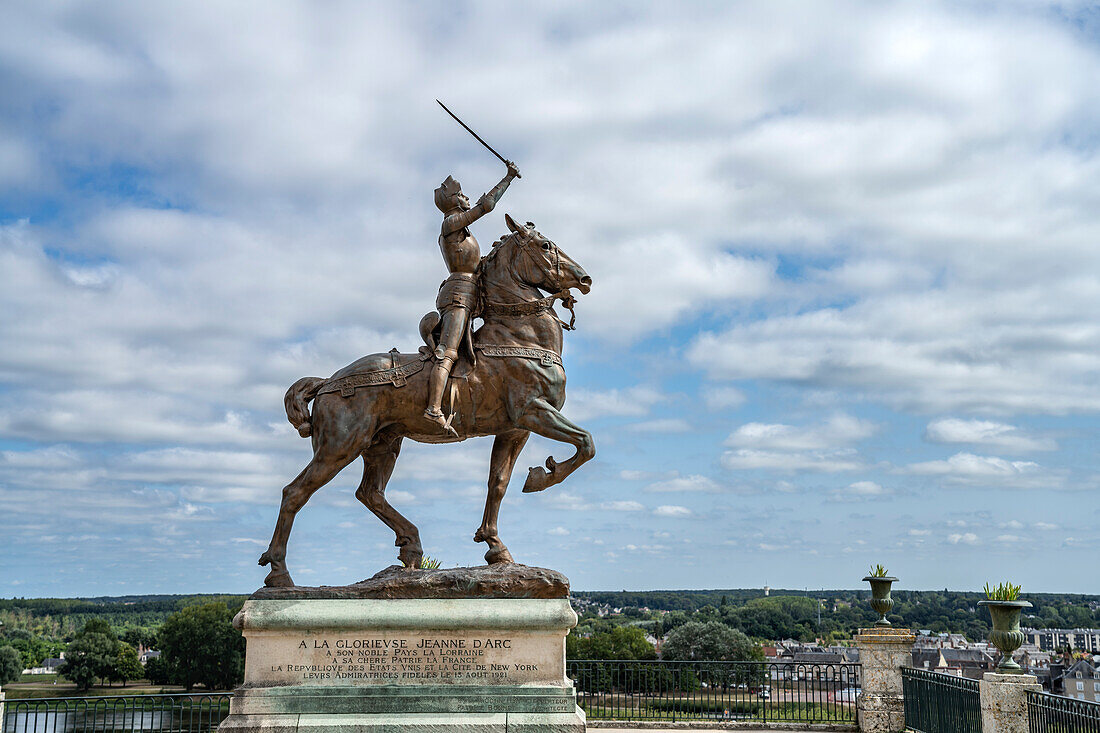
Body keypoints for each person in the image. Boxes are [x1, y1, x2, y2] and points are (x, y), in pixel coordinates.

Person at [425, 161, 520, 434]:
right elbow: (486, 206)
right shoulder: (451, 222)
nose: (468, 198)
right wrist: (508, 178)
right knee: (449, 352)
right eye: (463, 194)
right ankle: (433, 409)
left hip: (470, 293)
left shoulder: (462, 231)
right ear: (453, 200)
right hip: (458, 295)